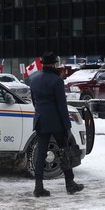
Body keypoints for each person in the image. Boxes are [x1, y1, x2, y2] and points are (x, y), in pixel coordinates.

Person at [29, 51, 84, 197]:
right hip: (56, 122)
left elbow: (35, 102)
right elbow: (62, 106)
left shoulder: (34, 80)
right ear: (54, 64)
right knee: (64, 151)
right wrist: (67, 126)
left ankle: (38, 187)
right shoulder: (57, 81)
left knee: (41, 154)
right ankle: (70, 184)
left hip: (40, 121)